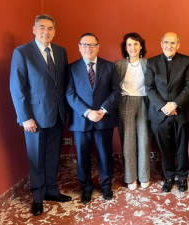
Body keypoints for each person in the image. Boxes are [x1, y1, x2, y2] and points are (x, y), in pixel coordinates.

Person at [10, 14, 71, 216]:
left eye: (50, 28)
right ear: (34, 29)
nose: (46, 31)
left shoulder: (61, 52)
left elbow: (63, 85)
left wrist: (67, 110)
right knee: (36, 158)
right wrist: (25, 117)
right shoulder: (22, 52)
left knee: (54, 155)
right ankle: (38, 197)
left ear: (55, 31)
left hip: (57, 115)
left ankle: (52, 191)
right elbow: (16, 88)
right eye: (42, 27)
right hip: (34, 117)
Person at [66, 33, 121, 204]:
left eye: (92, 45)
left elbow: (116, 91)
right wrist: (87, 112)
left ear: (98, 47)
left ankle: (106, 186)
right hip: (81, 120)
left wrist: (102, 110)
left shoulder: (110, 67)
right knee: (82, 156)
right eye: (84, 45)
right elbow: (70, 93)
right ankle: (87, 188)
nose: (88, 48)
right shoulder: (71, 68)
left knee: (105, 154)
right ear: (79, 47)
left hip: (104, 119)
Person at [145, 32, 189, 193]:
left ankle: (182, 178)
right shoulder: (152, 62)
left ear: (178, 45)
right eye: (166, 42)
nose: (169, 45)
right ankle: (168, 176)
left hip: (181, 112)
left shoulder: (187, 61)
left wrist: (174, 104)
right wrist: (163, 106)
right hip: (159, 114)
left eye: (173, 43)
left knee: (181, 147)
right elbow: (149, 87)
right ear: (161, 44)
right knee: (164, 148)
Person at [115, 33, 151, 190]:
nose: (133, 47)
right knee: (128, 142)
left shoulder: (147, 63)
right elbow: (114, 87)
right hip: (126, 102)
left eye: (136, 44)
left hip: (143, 102)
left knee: (144, 141)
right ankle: (131, 178)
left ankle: (144, 176)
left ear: (141, 46)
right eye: (129, 44)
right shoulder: (119, 64)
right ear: (125, 47)